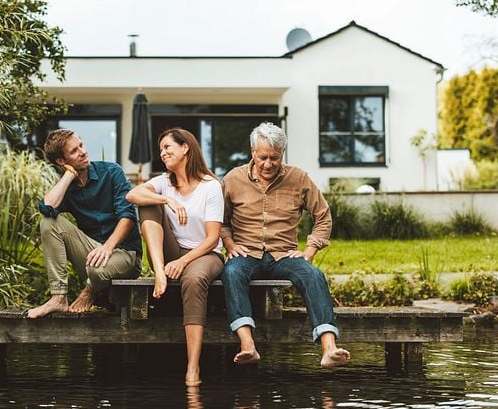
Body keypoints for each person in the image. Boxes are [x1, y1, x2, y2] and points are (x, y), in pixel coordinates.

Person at [220, 122, 351, 368]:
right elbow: (220, 220)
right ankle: (248, 345)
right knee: (231, 272)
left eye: (275, 157)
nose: (268, 164)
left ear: (282, 154)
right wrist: (229, 243)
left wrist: (310, 250)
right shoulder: (233, 179)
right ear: (252, 152)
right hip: (246, 253)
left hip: (284, 254)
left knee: (313, 275)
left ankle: (329, 348)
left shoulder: (299, 178)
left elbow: (323, 216)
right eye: (263, 157)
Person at [126, 128, 224, 386]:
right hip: (168, 253)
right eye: (161, 150)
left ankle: (193, 367)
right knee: (147, 204)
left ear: (185, 148)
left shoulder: (210, 186)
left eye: (168, 147)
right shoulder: (163, 182)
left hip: (205, 252)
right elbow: (131, 195)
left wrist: (183, 261)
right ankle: (158, 271)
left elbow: (213, 238)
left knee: (193, 281)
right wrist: (166, 201)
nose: (163, 153)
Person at [27, 129, 142, 319]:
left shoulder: (112, 172)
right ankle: (58, 297)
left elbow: (128, 217)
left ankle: (89, 291)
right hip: (93, 255)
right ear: (61, 161)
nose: (83, 151)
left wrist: (107, 248)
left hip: (125, 255)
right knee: (49, 222)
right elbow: (47, 208)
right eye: (74, 151)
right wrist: (69, 175)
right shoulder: (68, 187)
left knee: (96, 270)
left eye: (81, 145)